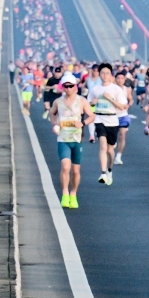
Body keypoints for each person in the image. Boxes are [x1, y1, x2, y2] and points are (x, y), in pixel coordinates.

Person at [48, 73, 94, 209]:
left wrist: (83, 123)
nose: (68, 88)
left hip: (77, 139)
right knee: (65, 167)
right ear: (62, 87)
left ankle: (73, 194)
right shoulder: (58, 102)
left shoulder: (82, 101)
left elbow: (92, 116)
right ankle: (65, 193)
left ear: (75, 87)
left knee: (75, 170)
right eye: (65, 86)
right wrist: (54, 124)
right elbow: (52, 112)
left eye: (70, 86)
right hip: (63, 139)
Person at [88, 63, 129, 185]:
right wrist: (92, 103)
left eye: (107, 73)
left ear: (111, 74)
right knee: (103, 146)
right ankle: (103, 173)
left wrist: (110, 99)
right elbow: (88, 104)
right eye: (102, 73)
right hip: (100, 119)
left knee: (110, 150)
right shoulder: (95, 89)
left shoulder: (116, 89)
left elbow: (122, 107)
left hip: (113, 120)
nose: (105, 75)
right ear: (99, 74)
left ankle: (109, 170)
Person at [114, 68, 132, 165]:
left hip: (123, 116)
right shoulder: (111, 89)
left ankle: (118, 156)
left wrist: (128, 105)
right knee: (113, 137)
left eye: (122, 78)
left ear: (124, 79)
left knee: (122, 135)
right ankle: (113, 143)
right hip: (113, 116)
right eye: (118, 78)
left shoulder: (127, 89)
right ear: (115, 79)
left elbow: (131, 99)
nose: (120, 80)